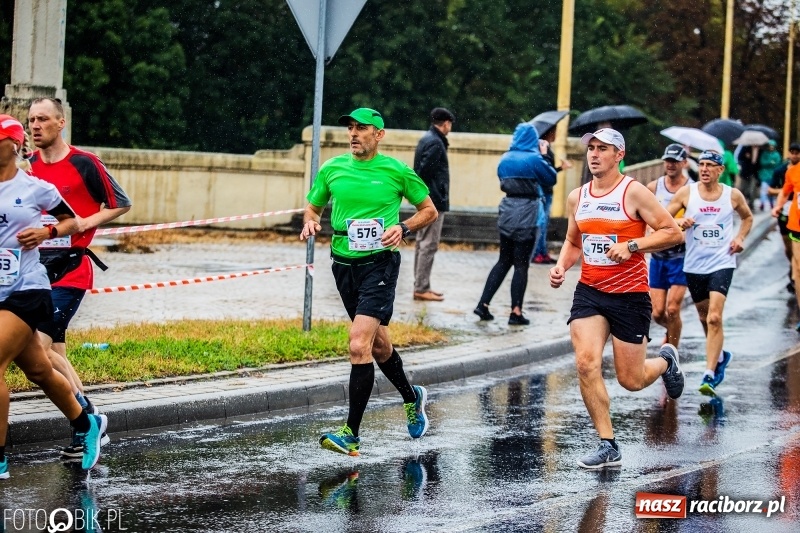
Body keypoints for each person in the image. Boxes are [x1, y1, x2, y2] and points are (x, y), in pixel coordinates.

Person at [300, 107, 437, 455]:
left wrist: (403, 227)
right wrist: (311, 222)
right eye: (351, 128)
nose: (354, 134)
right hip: (343, 264)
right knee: (378, 345)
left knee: (358, 343)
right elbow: (313, 208)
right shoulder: (333, 168)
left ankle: (351, 433)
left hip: (380, 264)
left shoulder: (396, 171)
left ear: (379, 134)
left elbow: (429, 210)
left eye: (362, 129)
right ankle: (412, 396)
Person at [548, 128, 685, 469]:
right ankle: (607, 443)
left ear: (619, 155)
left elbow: (672, 232)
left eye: (602, 149)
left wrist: (633, 245)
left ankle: (666, 361)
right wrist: (561, 266)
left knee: (631, 380)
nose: (594, 154)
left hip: (630, 296)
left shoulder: (634, 192)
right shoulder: (577, 196)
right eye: (591, 148)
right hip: (590, 293)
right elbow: (574, 241)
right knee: (586, 362)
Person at [0, 115, 106, 477]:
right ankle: (84, 422)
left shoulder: (34, 188)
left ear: (14, 146)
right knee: (39, 369)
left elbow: (71, 221)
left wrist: (46, 232)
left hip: (28, 289)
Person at [27, 97, 131, 457]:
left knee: (37, 351)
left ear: (61, 122)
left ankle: (86, 420)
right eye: (31, 120)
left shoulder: (84, 163)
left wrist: (86, 222)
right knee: (55, 352)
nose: (35, 126)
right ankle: (91, 424)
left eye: (42, 119)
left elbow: (121, 203)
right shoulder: (26, 168)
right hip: (33, 269)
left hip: (71, 268)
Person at [667, 150, 753, 396]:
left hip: (722, 262)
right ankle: (721, 355)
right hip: (694, 265)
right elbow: (663, 218)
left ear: (720, 170)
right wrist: (679, 223)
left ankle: (709, 372)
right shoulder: (687, 193)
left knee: (715, 317)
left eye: (710, 165)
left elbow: (747, 218)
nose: (704, 169)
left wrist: (739, 238)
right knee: (705, 319)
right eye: (701, 164)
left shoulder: (732, 195)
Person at [473, 122, 556, 325]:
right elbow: (550, 178)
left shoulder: (505, 158)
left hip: (507, 211)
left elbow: (502, 179)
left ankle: (483, 304)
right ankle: (516, 312)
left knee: (503, 260)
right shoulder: (535, 159)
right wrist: (545, 155)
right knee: (521, 264)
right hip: (527, 213)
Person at [647, 144, 690, 347]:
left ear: (684, 162)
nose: (670, 165)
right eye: (668, 161)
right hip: (658, 256)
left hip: (681, 255)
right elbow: (644, 216)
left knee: (673, 309)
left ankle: (673, 350)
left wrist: (683, 223)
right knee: (657, 313)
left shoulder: (692, 189)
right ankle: (673, 329)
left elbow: (697, 218)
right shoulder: (654, 187)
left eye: (675, 161)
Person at [412, 107, 454, 302]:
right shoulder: (435, 143)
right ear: (446, 123)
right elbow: (424, 174)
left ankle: (422, 285)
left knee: (422, 243)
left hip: (428, 200)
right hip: (433, 202)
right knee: (428, 244)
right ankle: (421, 287)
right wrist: (430, 199)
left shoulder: (427, 139)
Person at [531, 126, 573, 264]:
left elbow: (548, 172)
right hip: (543, 192)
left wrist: (561, 168)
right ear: (549, 132)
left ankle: (542, 252)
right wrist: (544, 154)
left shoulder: (546, 147)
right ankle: (538, 253)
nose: (556, 135)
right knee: (541, 223)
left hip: (547, 191)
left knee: (544, 222)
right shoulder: (542, 147)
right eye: (555, 131)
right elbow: (543, 171)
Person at [772, 144, 800, 330]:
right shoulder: (792, 172)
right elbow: (785, 191)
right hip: (797, 225)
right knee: (798, 270)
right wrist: (778, 205)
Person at [758, 140, 781, 211]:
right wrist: (770, 162)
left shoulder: (776, 154)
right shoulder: (765, 154)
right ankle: (762, 203)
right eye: (770, 146)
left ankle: (771, 203)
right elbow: (762, 162)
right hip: (765, 175)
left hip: (772, 175)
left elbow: (777, 163)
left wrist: (771, 163)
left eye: (772, 146)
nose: (771, 147)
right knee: (763, 190)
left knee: (771, 190)